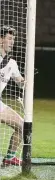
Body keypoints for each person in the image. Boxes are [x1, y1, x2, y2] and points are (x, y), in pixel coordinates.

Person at [0, 25, 25, 166]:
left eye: (13, 39)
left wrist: (25, 81)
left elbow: (20, 82)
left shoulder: (11, 63)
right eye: (9, 38)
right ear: (0, 39)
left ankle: (10, 157)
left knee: (23, 126)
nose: (12, 42)